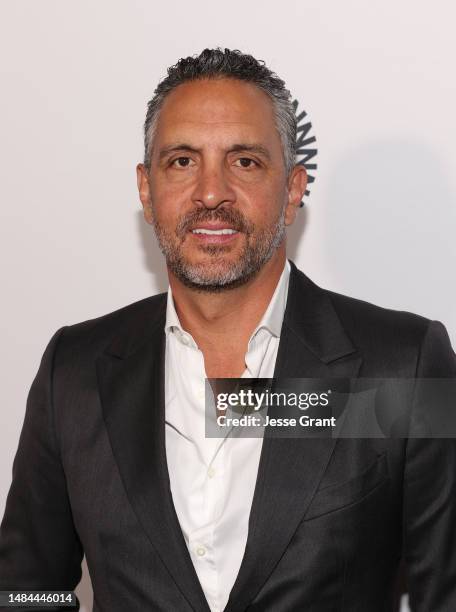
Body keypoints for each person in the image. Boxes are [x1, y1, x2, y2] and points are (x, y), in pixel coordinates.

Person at [0, 48, 455, 612]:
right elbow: (23, 590)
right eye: (182, 161)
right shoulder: (74, 371)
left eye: (244, 161)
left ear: (292, 190)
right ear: (146, 190)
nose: (210, 194)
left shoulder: (403, 366)